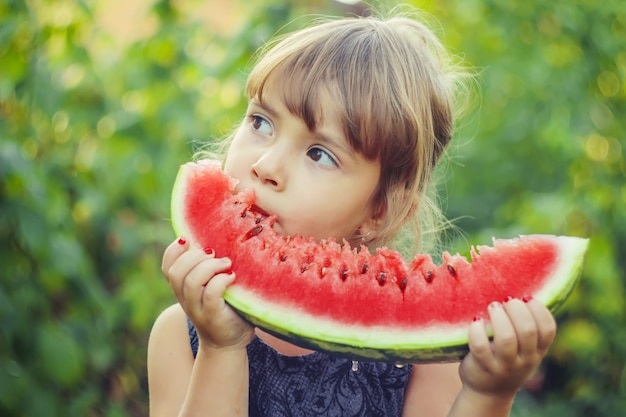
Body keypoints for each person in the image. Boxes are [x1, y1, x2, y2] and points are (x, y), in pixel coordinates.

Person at [147, 9, 557, 417]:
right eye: (261, 122)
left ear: (379, 210)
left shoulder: (421, 361)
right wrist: (220, 348)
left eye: (319, 154)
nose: (267, 166)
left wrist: (488, 394)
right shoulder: (178, 336)